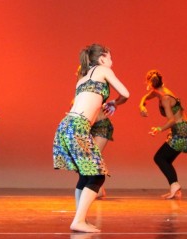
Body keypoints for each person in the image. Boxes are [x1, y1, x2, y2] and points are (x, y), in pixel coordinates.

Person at [52, 44, 129, 233]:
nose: (111, 61)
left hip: (67, 124)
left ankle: (81, 219)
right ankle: (78, 220)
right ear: (102, 58)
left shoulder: (82, 79)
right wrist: (115, 102)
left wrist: (110, 103)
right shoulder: (103, 69)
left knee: (87, 174)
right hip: (78, 126)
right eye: (110, 57)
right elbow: (126, 94)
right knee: (97, 175)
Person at [138, 70, 187, 199]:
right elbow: (146, 97)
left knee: (160, 158)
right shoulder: (159, 92)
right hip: (179, 130)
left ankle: (175, 185)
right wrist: (142, 106)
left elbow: (172, 121)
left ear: (150, 83)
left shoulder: (165, 98)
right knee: (165, 159)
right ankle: (175, 188)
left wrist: (159, 128)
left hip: (181, 131)